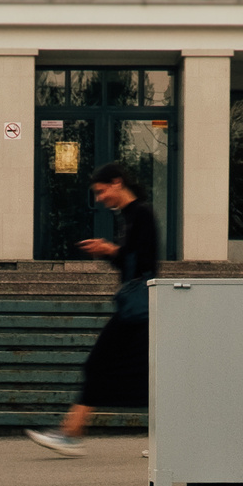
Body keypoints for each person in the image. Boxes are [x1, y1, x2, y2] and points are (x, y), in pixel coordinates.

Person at [27, 161, 160, 457]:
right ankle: (71, 433)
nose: (99, 199)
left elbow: (144, 262)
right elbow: (131, 263)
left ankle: (70, 434)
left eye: (101, 191)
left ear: (117, 182)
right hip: (137, 307)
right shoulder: (131, 215)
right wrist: (110, 252)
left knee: (101, 365)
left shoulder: (141, 213)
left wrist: (109, 249)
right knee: (143, 375)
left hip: (138, 310)